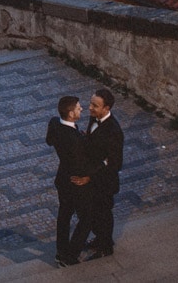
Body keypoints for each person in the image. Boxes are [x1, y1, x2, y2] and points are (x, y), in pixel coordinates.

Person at [46, 96, 98, 267]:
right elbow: (81, 164)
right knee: (87, 218)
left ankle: (61, 252)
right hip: (75, 183)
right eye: (78, 107)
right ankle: (70, 255)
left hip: (62, 180)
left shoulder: (55, 123)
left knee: (64, 216)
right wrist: (89, 177)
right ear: (70, 113)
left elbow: (49, 140)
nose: (81, 109)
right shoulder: (76, 141)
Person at [74, 88, 124, 260]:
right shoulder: (94, 118)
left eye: (95, 105)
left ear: (107, 108)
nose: (90, 108)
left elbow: (114, 162)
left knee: (103, 213)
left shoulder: (114, 131)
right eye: (91, 103)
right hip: (92, 177)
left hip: (104, 181)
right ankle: (100, 239)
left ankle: (106, 246)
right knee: (92, 212)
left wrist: (90, 176)